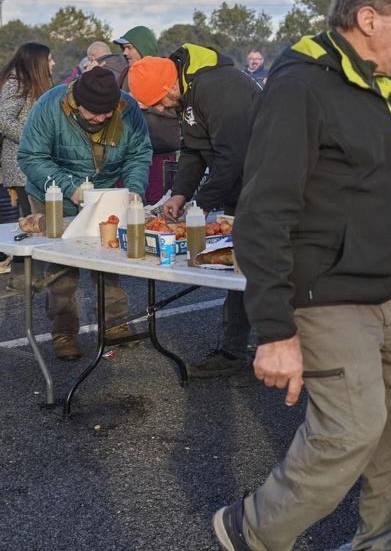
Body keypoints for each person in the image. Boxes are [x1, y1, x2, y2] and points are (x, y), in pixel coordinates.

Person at [214, 0, 391, 551]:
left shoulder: (374, 86)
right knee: (351, 432)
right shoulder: (303, 86)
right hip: (327, 296)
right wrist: (274, 331)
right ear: (369, 20)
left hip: (387, 296)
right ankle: (253, 530)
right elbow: (262, 212)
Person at [127, 45, 259, 381]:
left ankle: (299, 348)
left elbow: (233, 155)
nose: (159, 109)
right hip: (242, 186)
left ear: (170, 87)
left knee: (276, 269)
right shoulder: (187, 95)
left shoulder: (219, 88)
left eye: (158, 103)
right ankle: (234, 351)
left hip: (271, 185)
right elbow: (194, 150)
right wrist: (181, 194)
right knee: (241, 272)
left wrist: (200, 204)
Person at [18, 68, 151, 361]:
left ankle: (114, 324)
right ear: (77, 103)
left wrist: (133, 189)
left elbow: (139, 154)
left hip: (104, 194)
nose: (101, 119)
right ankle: (63, 332)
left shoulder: (126, 109)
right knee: (61, 269)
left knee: (109, 260)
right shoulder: (49, 107)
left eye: (107, 114)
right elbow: (30, 156)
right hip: (52, 194)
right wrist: (70, 189)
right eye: (94, 114)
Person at [115, 25, 179, 204]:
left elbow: (178, 111)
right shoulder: (126, 75)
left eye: (129, 47)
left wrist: (148, 105)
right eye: (123, 48)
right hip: (133, 156)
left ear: (143, 46)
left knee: (157, 205)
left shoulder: (166, 73)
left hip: (161, 154)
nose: (125, 53)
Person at [0, 43, 54, 219]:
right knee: (34, 222)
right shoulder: (16, 83)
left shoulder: (31, 83)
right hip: (21, 167)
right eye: (50, 59)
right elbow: (3, 119)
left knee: (40, 221)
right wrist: (33, 139)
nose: (53, 63)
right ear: (37, 62)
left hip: (34, 166)